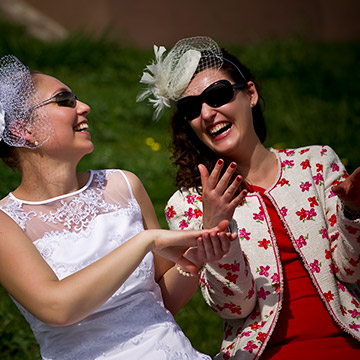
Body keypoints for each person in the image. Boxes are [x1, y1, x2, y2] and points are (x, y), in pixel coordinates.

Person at [0, 54, 238, 360]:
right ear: (23, 130)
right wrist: (144, 241)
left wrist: (195, 257)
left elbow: (162, 299)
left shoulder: (123, 185)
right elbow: (56, 308)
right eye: (65, 100)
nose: (84, 106)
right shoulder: (7, 221)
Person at [137, 36, 360, 359]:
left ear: (250, 94)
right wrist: (216, 234)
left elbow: (351, 271)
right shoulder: (188, 204)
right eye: (191, 107)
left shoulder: (315, 162)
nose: (207, 113)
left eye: (218, 95)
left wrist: (353, 212)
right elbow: (234, 306)